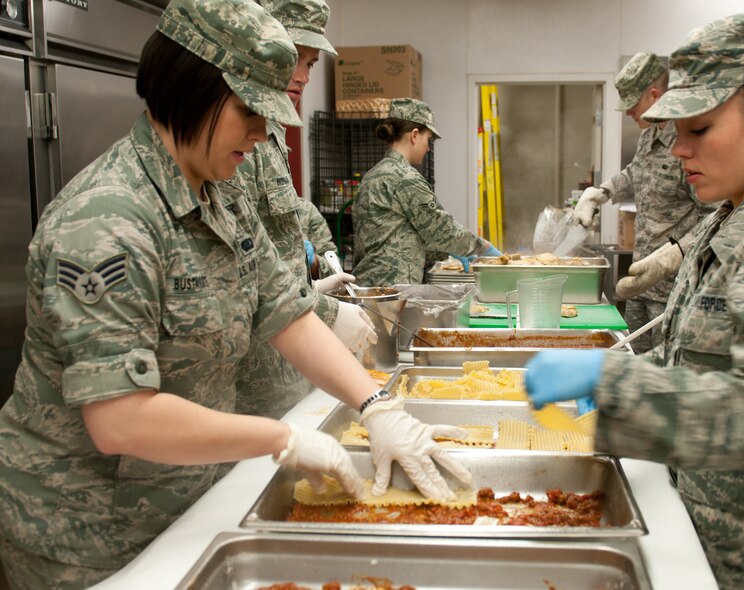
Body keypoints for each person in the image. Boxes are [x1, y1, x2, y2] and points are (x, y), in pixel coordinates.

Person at [0, 2, 470, 588]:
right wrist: (281, 437)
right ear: (188, 91)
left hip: (187, 502)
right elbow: (120, 419)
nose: (262, 132)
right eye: (249, 110)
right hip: (88, 534)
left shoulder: (221, 192)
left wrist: (376, 406)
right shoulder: (108, 221)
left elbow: (283, 311)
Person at [526, 6, 744, 589]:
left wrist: (612, 388)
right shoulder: (724, 220)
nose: (678, 149)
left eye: (697, 129)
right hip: (711, 533)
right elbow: (690, 361)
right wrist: (600, 377)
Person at [226, 0, 375, 422]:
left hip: (287, 367)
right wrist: (324, 309)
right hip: (253, 379)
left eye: (311, 63)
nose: (304, 76)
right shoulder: (235, 144)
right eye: (297, 58)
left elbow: (276, 234)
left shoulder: (268, 134)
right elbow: (240, 265)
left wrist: (311, 281)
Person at [574, 52, 715, 353]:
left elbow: (715, 218)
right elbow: (636, 172)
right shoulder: (649, 135)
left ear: (654, 95)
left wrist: (673, 255)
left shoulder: (688, 143)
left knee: (666, 365)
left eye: (631, 106)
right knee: (635, 357)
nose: (628, 114)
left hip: (672, 287)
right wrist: (602, 192)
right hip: (640, 279)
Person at [351, 98, 501, 286]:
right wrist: (482, 248)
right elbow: (441, 228)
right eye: (427, 139)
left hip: (370, 286)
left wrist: (447, 251)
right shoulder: (404, 177)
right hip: (391, 289)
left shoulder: (373, 175)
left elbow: (395, 237)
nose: (428, 147)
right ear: (414, 135)